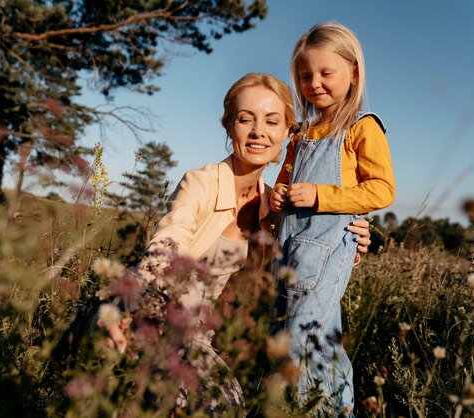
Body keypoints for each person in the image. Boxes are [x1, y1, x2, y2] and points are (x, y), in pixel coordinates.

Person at [104, 72, 373, 412]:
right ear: (229, 126)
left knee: (232, 405)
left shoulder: (279, 207)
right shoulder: (201, 183)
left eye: (272, 121)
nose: (259, 131)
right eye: (246, 119)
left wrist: (349, 242)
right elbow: (169, 241)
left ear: (288, 134)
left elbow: (307, 259)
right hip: (145, 313)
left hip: (199, 339)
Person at [269, 22, 395, 416]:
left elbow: (382, 189)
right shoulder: (301, 134)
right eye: (306, 76)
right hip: (289, 251)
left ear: (353, 72)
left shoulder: (362, 127)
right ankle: (342, 410)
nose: (314, 83)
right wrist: (277, 197)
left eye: (326, 73)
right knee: (314, 338)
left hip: (325, 254)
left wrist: (323, 195)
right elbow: (285, 186)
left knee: (300, 341)